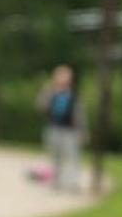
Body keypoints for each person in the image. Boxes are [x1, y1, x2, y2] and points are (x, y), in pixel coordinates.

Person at [35, 64, 85, 192]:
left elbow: (79, 114)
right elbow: (40, 106)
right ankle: (57, 183)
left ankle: (72, 184)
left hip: (70, 131)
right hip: (53, 129)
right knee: (55, 157)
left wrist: (82, 131)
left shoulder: (73, 95)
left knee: (72, 158)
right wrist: (49, 89)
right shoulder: (51, 93)